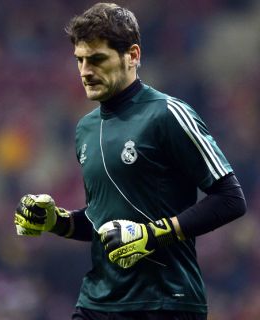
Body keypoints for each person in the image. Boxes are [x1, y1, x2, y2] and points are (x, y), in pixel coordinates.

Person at [13, 3, 247, 320]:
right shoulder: (85, 129)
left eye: (97, 59)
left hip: (165, 302)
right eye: (80, 60)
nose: (85, 71)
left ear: (132, 55)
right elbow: (103, 223)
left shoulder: (168, 114)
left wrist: (152, 234)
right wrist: (56, 221)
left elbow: (231, 198)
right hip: (97, 303)